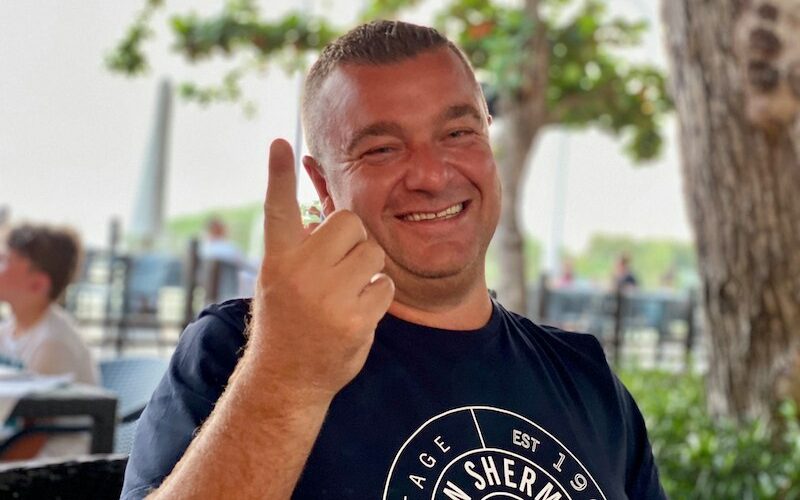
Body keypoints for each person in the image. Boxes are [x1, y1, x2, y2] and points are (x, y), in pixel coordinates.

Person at [122, 20, 665, 499]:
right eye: (381, 149)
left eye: (458, 133)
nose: (431, 174)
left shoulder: (585, 378)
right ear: (323, 186)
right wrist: (287, 379)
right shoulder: (239, 350)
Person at [0, 223, 99, 458]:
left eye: (5, 261)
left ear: (38, 284)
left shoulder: (53, 342)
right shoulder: (8, 330)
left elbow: (35, 436)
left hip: (55, 462)